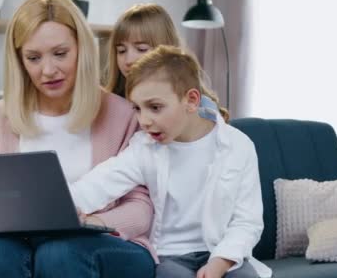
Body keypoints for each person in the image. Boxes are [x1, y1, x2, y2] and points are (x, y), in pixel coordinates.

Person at [0, 0, 155, 278]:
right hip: (24, 243)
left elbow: (141, 209)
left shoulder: (123, 114)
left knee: (59, 252)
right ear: (19, 61)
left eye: (60, 53)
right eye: (33, 58)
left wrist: (92, 221)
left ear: (82, 49)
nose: (48, 70)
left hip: (108, 242)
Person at [70, 45, 273, 278]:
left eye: (155, 107)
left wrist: (220, 262)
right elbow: (101, 182)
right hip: (170, 256)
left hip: (224, 254)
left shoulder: (238, 145)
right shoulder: (143, 148)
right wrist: (63, 207)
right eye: (137, 108)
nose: (144, 120)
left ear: (192, 100)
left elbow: (248, 221)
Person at [104, 3, 229, 122]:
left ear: (165, 49)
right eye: (121, 51)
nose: (128, 60)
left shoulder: (200, 107)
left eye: (141, 49)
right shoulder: (111, 105)